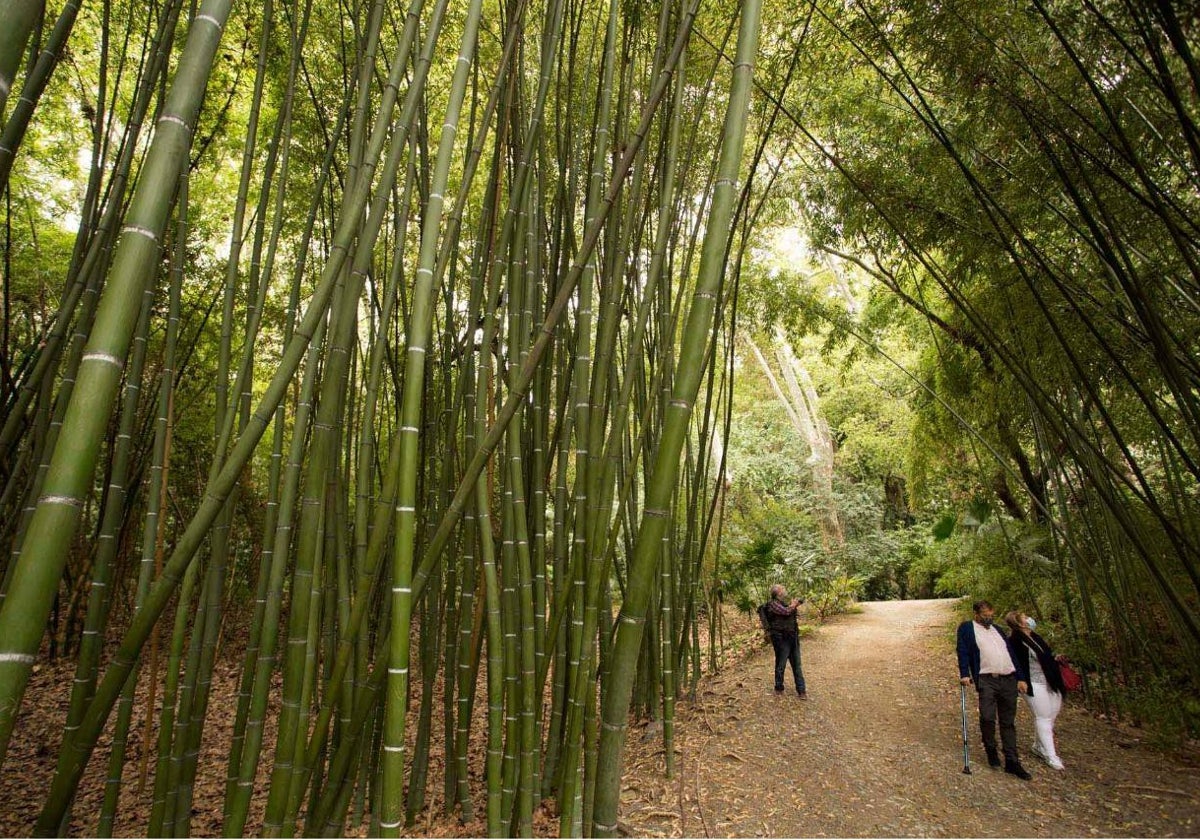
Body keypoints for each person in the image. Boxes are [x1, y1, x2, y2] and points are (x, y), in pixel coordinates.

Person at [956, 599, 1032, 779]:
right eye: (985, 616)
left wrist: (1020, 677)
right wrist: (965, 673)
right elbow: (963, 650)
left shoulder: (998, 630)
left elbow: (1011, 653)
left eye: (991, 615)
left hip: (1008, 678)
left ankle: (1012, 761)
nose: (989, 619)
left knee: (1008, 721)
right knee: (988, 716)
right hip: (986, 678)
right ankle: (991, 748)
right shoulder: (967, 628)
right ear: (976, 614)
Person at [1005, 611, 1067, 770]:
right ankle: (1051, 755)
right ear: (1019, 623)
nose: (1029, 619)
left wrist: (1055, 658)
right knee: (1043, 717)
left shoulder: (1035, 636)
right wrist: (1020, 679)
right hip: (1033, 682)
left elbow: (1045, 655)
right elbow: (1015, 662)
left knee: (1051, 715)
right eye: (1025, 618)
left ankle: (1039, 746)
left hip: (1051, 680)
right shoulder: (1015, 641)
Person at [758, 584, 807, 698]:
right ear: (778, 592)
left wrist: (796, 604)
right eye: (783, 589)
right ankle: (779, 687)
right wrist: (793, 605)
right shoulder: (773, 604)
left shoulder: (784, 604)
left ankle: (801, 690)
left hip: (792, 637)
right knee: (781, 664)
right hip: (781, 639)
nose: (785, 591)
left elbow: (789, 612)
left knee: (797, 664)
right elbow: (785, 612)